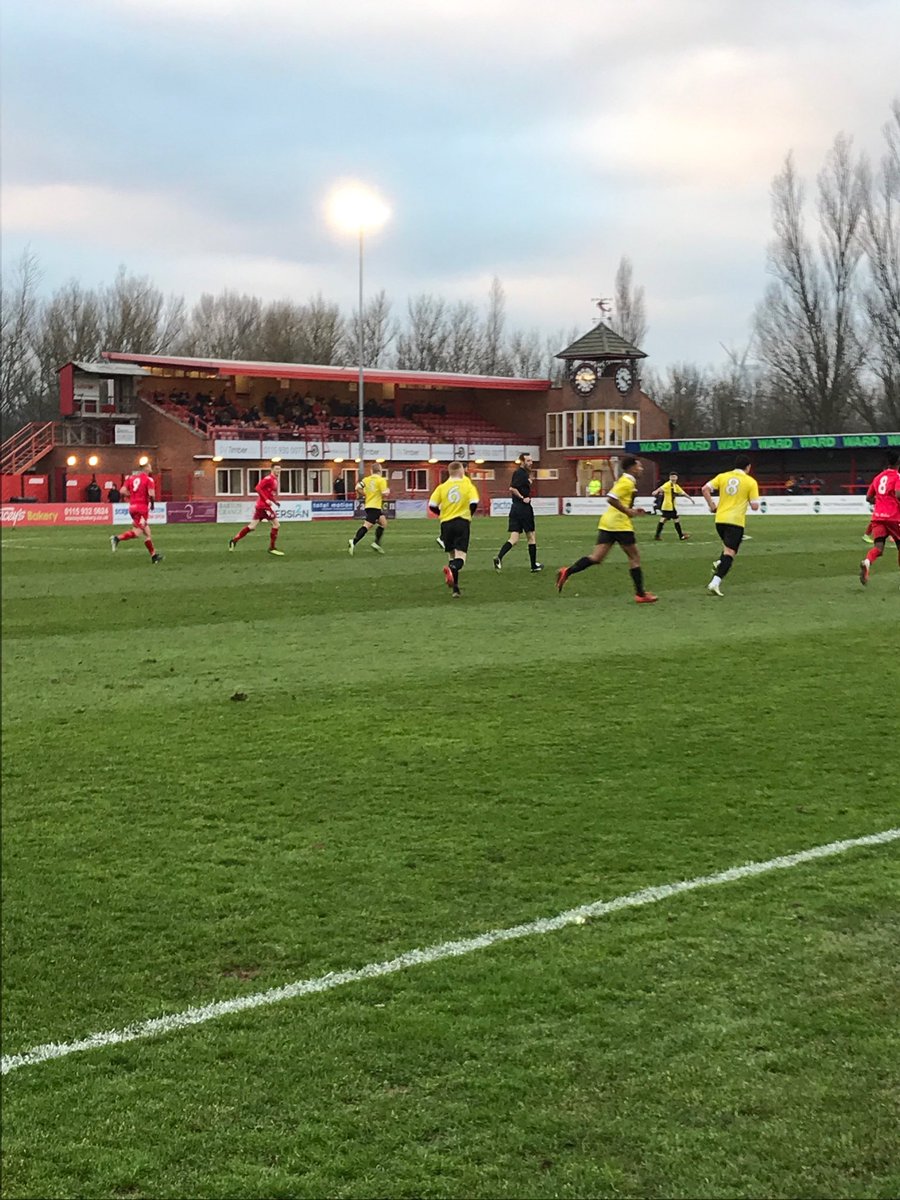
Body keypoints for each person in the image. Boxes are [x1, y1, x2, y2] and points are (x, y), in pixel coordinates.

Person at [556, 456, 658, 604]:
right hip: (620, 525)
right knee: (634, 558)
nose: (641, 469)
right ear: (632, 468)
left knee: (596, 558)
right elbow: (611, 498)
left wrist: (633, 510)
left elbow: (619, 501)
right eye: (639, 466)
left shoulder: (627, 481)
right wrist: (627, 512)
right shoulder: (627, 481)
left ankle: (567, 571)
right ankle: (640, 594)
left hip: (607, 523)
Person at [702, 454, 760, 596]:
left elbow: (705, 489)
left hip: (720, 520)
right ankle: (715, 583)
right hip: (735, 522)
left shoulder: (723, 476)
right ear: (748, 467)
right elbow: (755, 506)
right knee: (730, 553)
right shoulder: (750, 482)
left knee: (729, 549)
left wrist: (712, 506)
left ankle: (719, 563)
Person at [428, 461, 480, 598]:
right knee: (460, 557)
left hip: (446, 524)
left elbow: (432, 505)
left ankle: (455, 590)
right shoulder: (467, 484)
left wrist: (443, 514)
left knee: (451, 556)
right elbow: (474, 502)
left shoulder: (442, 487)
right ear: (461, 471)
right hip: (461, 522)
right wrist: (469, 514)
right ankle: (453, 570)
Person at [493, 452, 543, 573]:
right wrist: (522, 498)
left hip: (515, 509)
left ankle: (499, 557)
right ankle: (533, 565)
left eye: (531, 461)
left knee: (514, 539)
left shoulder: (523, 474)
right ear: (522, 462)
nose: (531, 463)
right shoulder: (520, 473)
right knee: (531, 537)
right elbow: (512, 488)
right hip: (523, 508)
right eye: (528, 461)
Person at [859, 450, 900, 586]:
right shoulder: (897, 477)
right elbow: (898, 494)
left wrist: (881, 502)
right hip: (894, 517)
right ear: (898, 463)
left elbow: (868, 498)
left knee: (878, 548)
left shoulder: (878, 477)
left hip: (878, 517)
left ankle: (867, 562)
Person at [111, 465, 163, 564]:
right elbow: (151, 494)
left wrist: (132, 496)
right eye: (149, 466)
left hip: (132, 507)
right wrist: (152, 505)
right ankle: (117, 538)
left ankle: (154, 556)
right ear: (146, 469)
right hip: (142, 509)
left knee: (147, 532)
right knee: (137, 533)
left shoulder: (131, 478)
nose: (151, 467)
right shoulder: (149, 479)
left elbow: (122, 490)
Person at [228, 464, 284, 555]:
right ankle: (272, 548)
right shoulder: (268, 478)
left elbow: (269, 493)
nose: (278, 471)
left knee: (252, 527)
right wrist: (266, 500)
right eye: (276, 469)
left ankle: (233, 541)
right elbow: (257, 488)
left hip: (261, 507)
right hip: (264, 507)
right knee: (276, 525)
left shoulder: (274, 480)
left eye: (279, 469)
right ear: (272, 469)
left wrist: (274, 501)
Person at [349, 464, 389, 555]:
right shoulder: (381, 480)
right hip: (375, 507)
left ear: (372, 471)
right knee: (367, 526)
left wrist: (365, 494)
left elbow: (357, 487)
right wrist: (387, 491)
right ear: (380, 470)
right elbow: (384, 493)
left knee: (383, 523)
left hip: (369, 505)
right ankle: (353, 541)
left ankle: (376, 543)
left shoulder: (366, 479)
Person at [651, 472, 695, 541]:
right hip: (668, 506)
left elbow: (683, 493)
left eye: (674, 477)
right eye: (672, 477)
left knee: (664, 520)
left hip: (670, 506)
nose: (673, 478)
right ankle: (681, 536)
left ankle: (657, 535)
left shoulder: (675, 486)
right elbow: (661, 488)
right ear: (669, 478)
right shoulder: (668, 484)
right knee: (675, 520)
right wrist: (656, 491)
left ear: (677, 478)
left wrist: (690, 498)